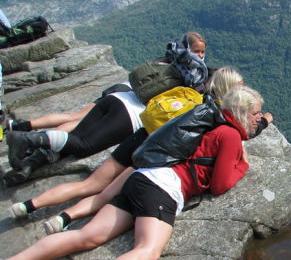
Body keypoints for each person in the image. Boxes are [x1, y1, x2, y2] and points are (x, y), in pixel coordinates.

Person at [0, 85, 265, 260]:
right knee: (148, 250)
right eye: (255, 113)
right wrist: (242, 165)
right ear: (241, 113)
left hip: (142, 177)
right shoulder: (229, 135)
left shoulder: (210, 121)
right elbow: (220, 184)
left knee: (88, 236)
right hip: (163, 188)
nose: (258, 117)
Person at [9, 67, 273, 234]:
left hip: (141, 138)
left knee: (90, 184)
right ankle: (64, 219)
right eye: (239, 88)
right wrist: (262, 125)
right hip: (154, 159)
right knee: (105, 195)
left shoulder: (200, 97)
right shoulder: (216, 116)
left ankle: (28, 205)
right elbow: (233, 138)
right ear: (230, 93)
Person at [3, 32, 208, 186]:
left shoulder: (170, 57)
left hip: (117, 96)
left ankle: (30, 163)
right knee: (82, 145)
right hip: (129, 115)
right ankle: (26, 139)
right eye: (197, 51)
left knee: (74, 136)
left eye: (202, 52)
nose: (199, 56)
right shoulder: (193, 74)